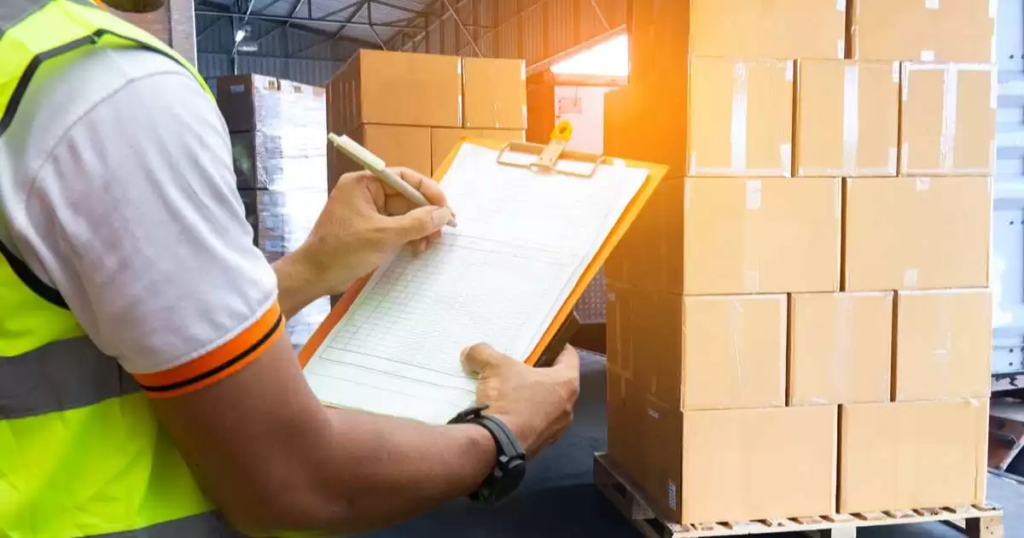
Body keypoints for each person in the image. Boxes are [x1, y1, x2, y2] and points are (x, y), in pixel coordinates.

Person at [0, 0, 580, 536]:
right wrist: (506, 434)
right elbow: (296, 481)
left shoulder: (23, 65)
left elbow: (140, 335)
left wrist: (311, 268)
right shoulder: (103, 88)